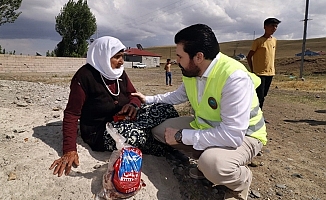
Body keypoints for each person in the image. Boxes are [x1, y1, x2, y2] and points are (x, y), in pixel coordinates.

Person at [132, 24, 267, 200]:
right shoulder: (193, 71)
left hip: (245, 136)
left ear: (198, 57)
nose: (176, 61)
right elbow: (178, 96)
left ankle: (240, 181)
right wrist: (148, 99)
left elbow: (232, 135)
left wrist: (181, 136)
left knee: (214, 164)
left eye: (180, 56)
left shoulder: (233, 78)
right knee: (161, 132)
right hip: (206, 128)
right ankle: (206, 164)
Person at [49, 36, 178, 177]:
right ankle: (169, 149)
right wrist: (69, 149)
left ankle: (161, 136)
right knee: (138, 136)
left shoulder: (119, 73)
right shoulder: (84, 77)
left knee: (165, 108)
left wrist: (133, 105)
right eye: (117, 57)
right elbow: (72, 114)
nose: (122, 61)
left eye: (122, 56)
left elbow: (133, 94)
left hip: (124, 118)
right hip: (100, 130)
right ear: (102, 56)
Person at [247, 18, 281, 110]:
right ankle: (255, 116)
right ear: (265, 27)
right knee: (259, 96)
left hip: (270, 72)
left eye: (276, 26)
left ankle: (259, 114)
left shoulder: (274, 40)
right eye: (272, 26)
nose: (274, 28)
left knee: (264, 95)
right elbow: (249, 56)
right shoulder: (258, 41)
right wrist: (253, 70)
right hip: (259, 73)